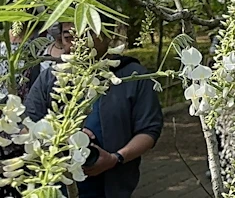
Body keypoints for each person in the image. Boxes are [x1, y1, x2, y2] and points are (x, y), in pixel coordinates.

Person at [23, 22, 163, 198]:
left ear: (107, 35)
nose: (78, 43)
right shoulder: (50, 77)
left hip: (112, 184)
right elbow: (28, 125)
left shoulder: (133, 75)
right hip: (56, 183)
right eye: (68, 37)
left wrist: (116, 158)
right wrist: (61, 137)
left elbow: (149, 130)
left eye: (86, 35)